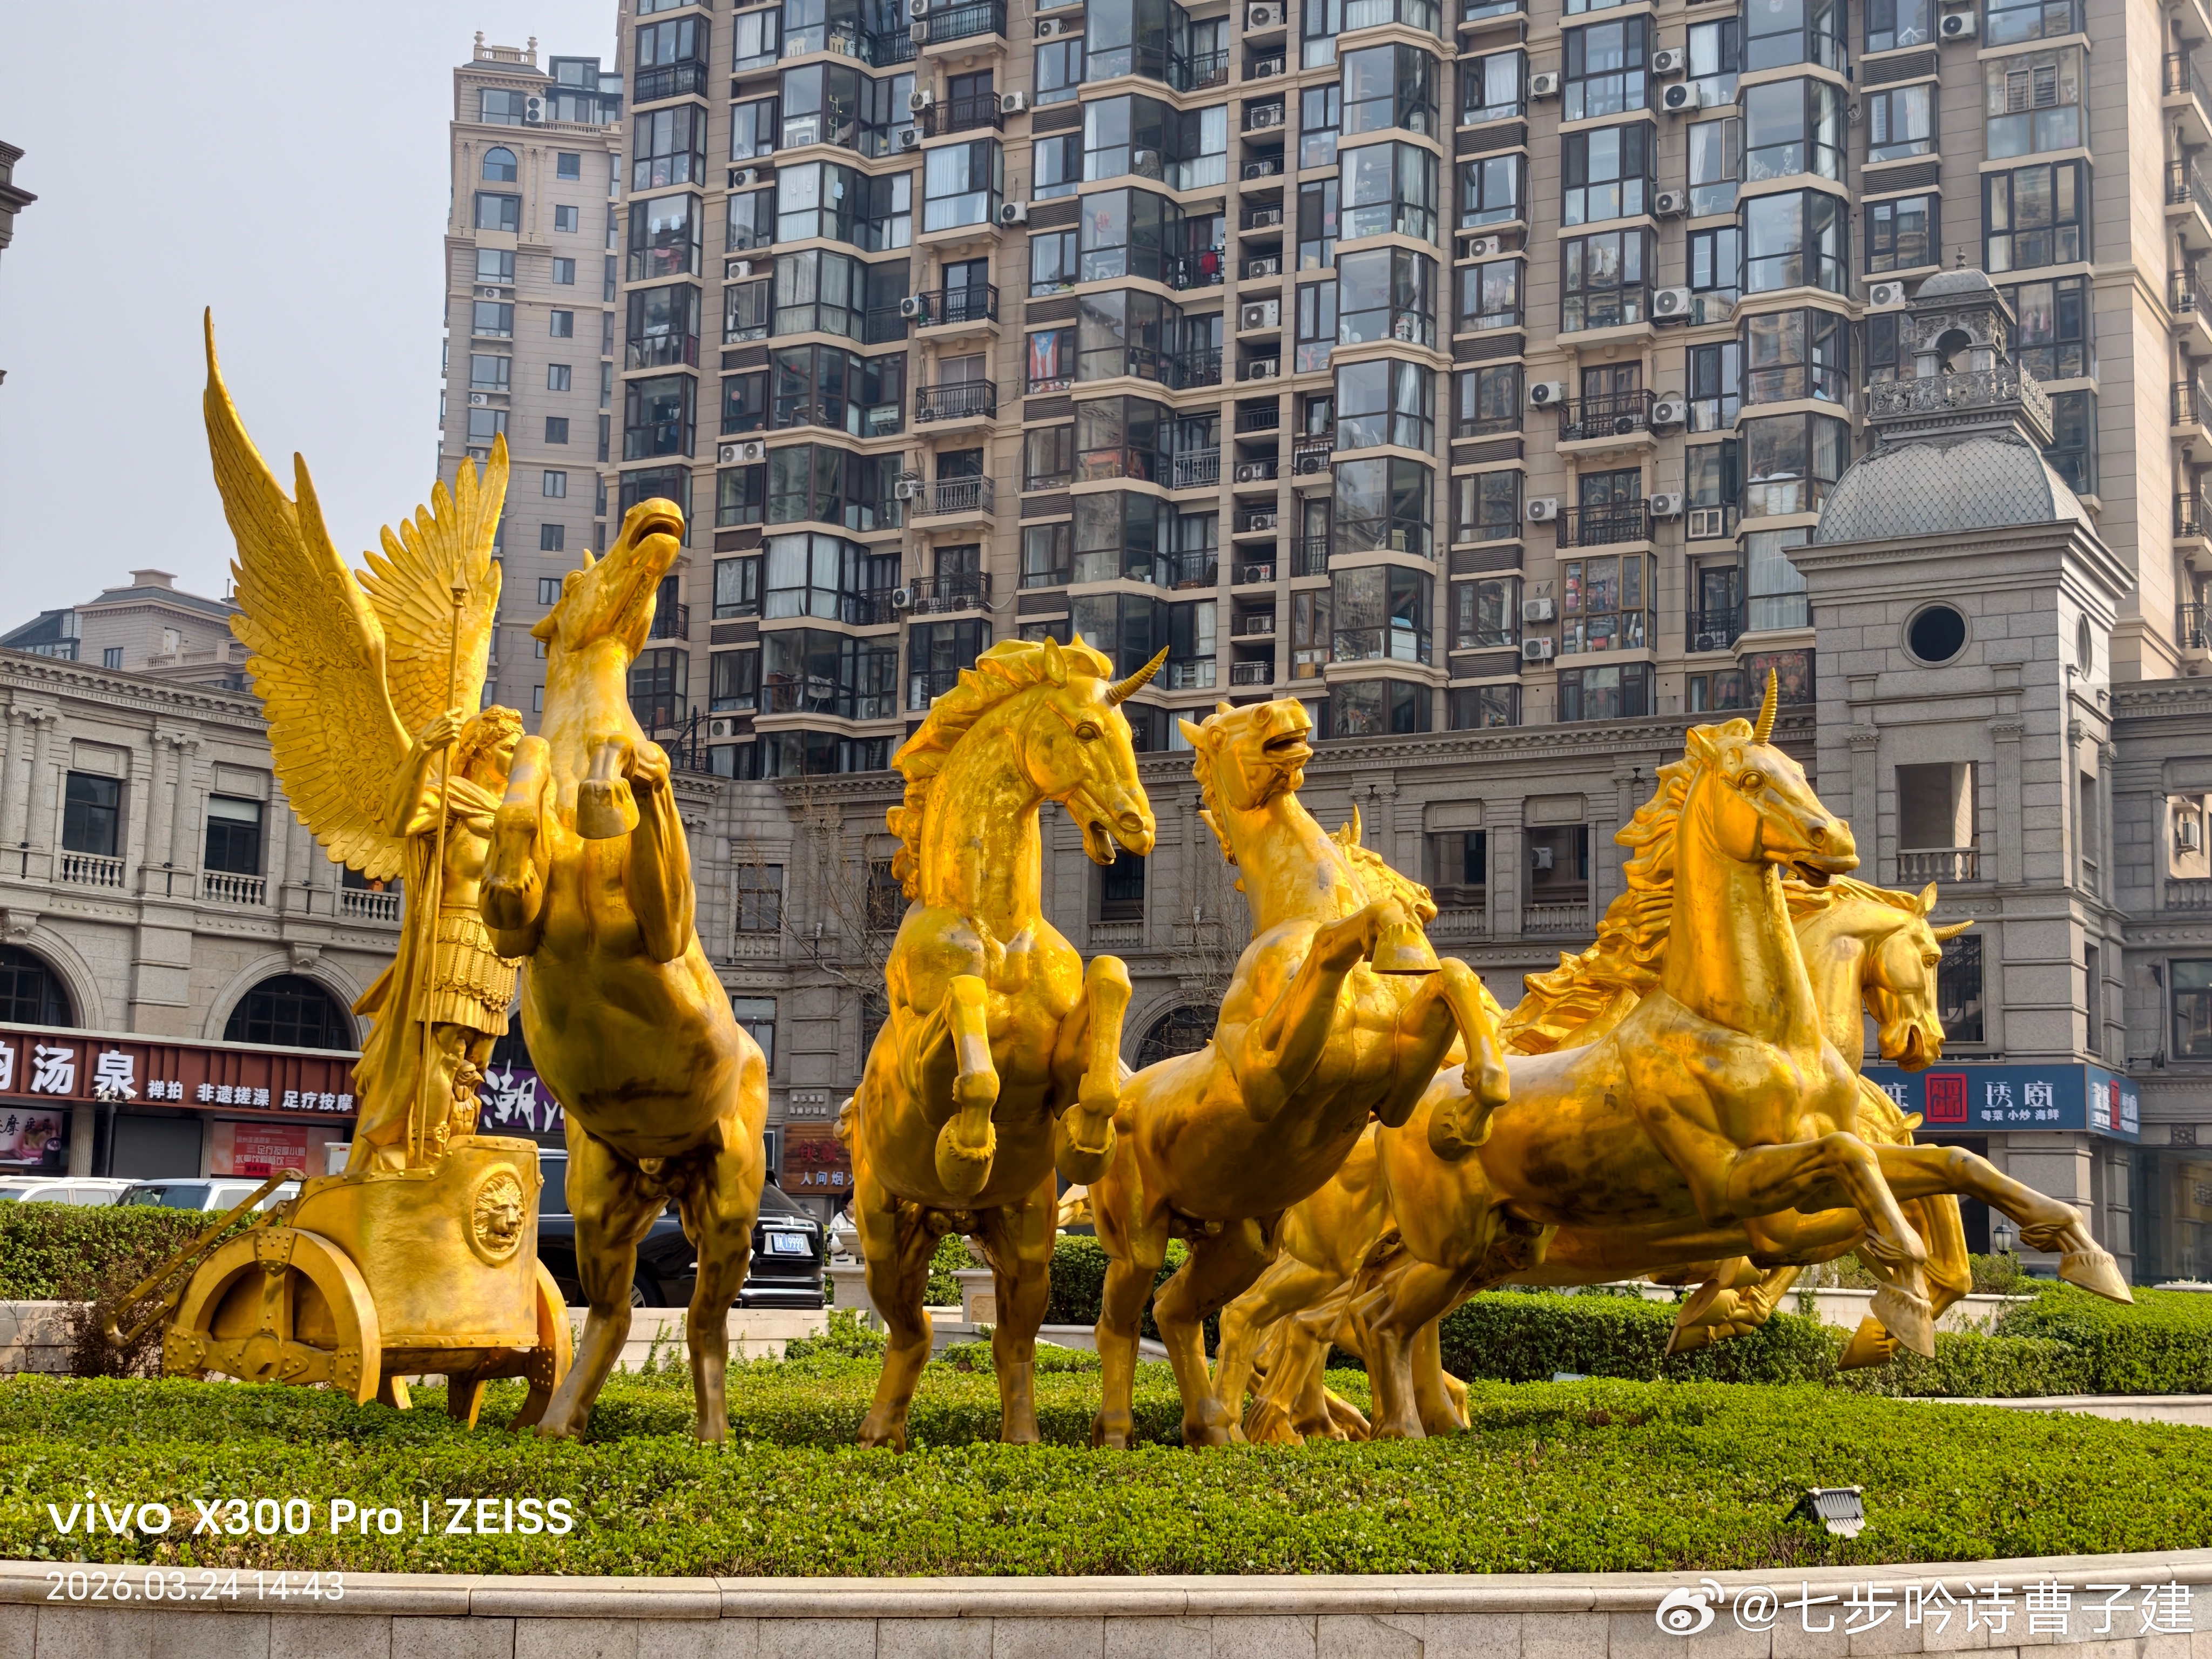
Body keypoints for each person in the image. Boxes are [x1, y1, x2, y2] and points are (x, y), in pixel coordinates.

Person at [346, 705, 525, 1172]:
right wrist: (424, 751)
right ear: (482, 753)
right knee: (444, 1052)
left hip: (499, 948)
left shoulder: (522, 813)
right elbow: (398, 821)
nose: (518, 756)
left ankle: (456, 1144)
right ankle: (425, 1153)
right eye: (509, 749)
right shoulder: (452, 799)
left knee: (476, 1065)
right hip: (453, 937)